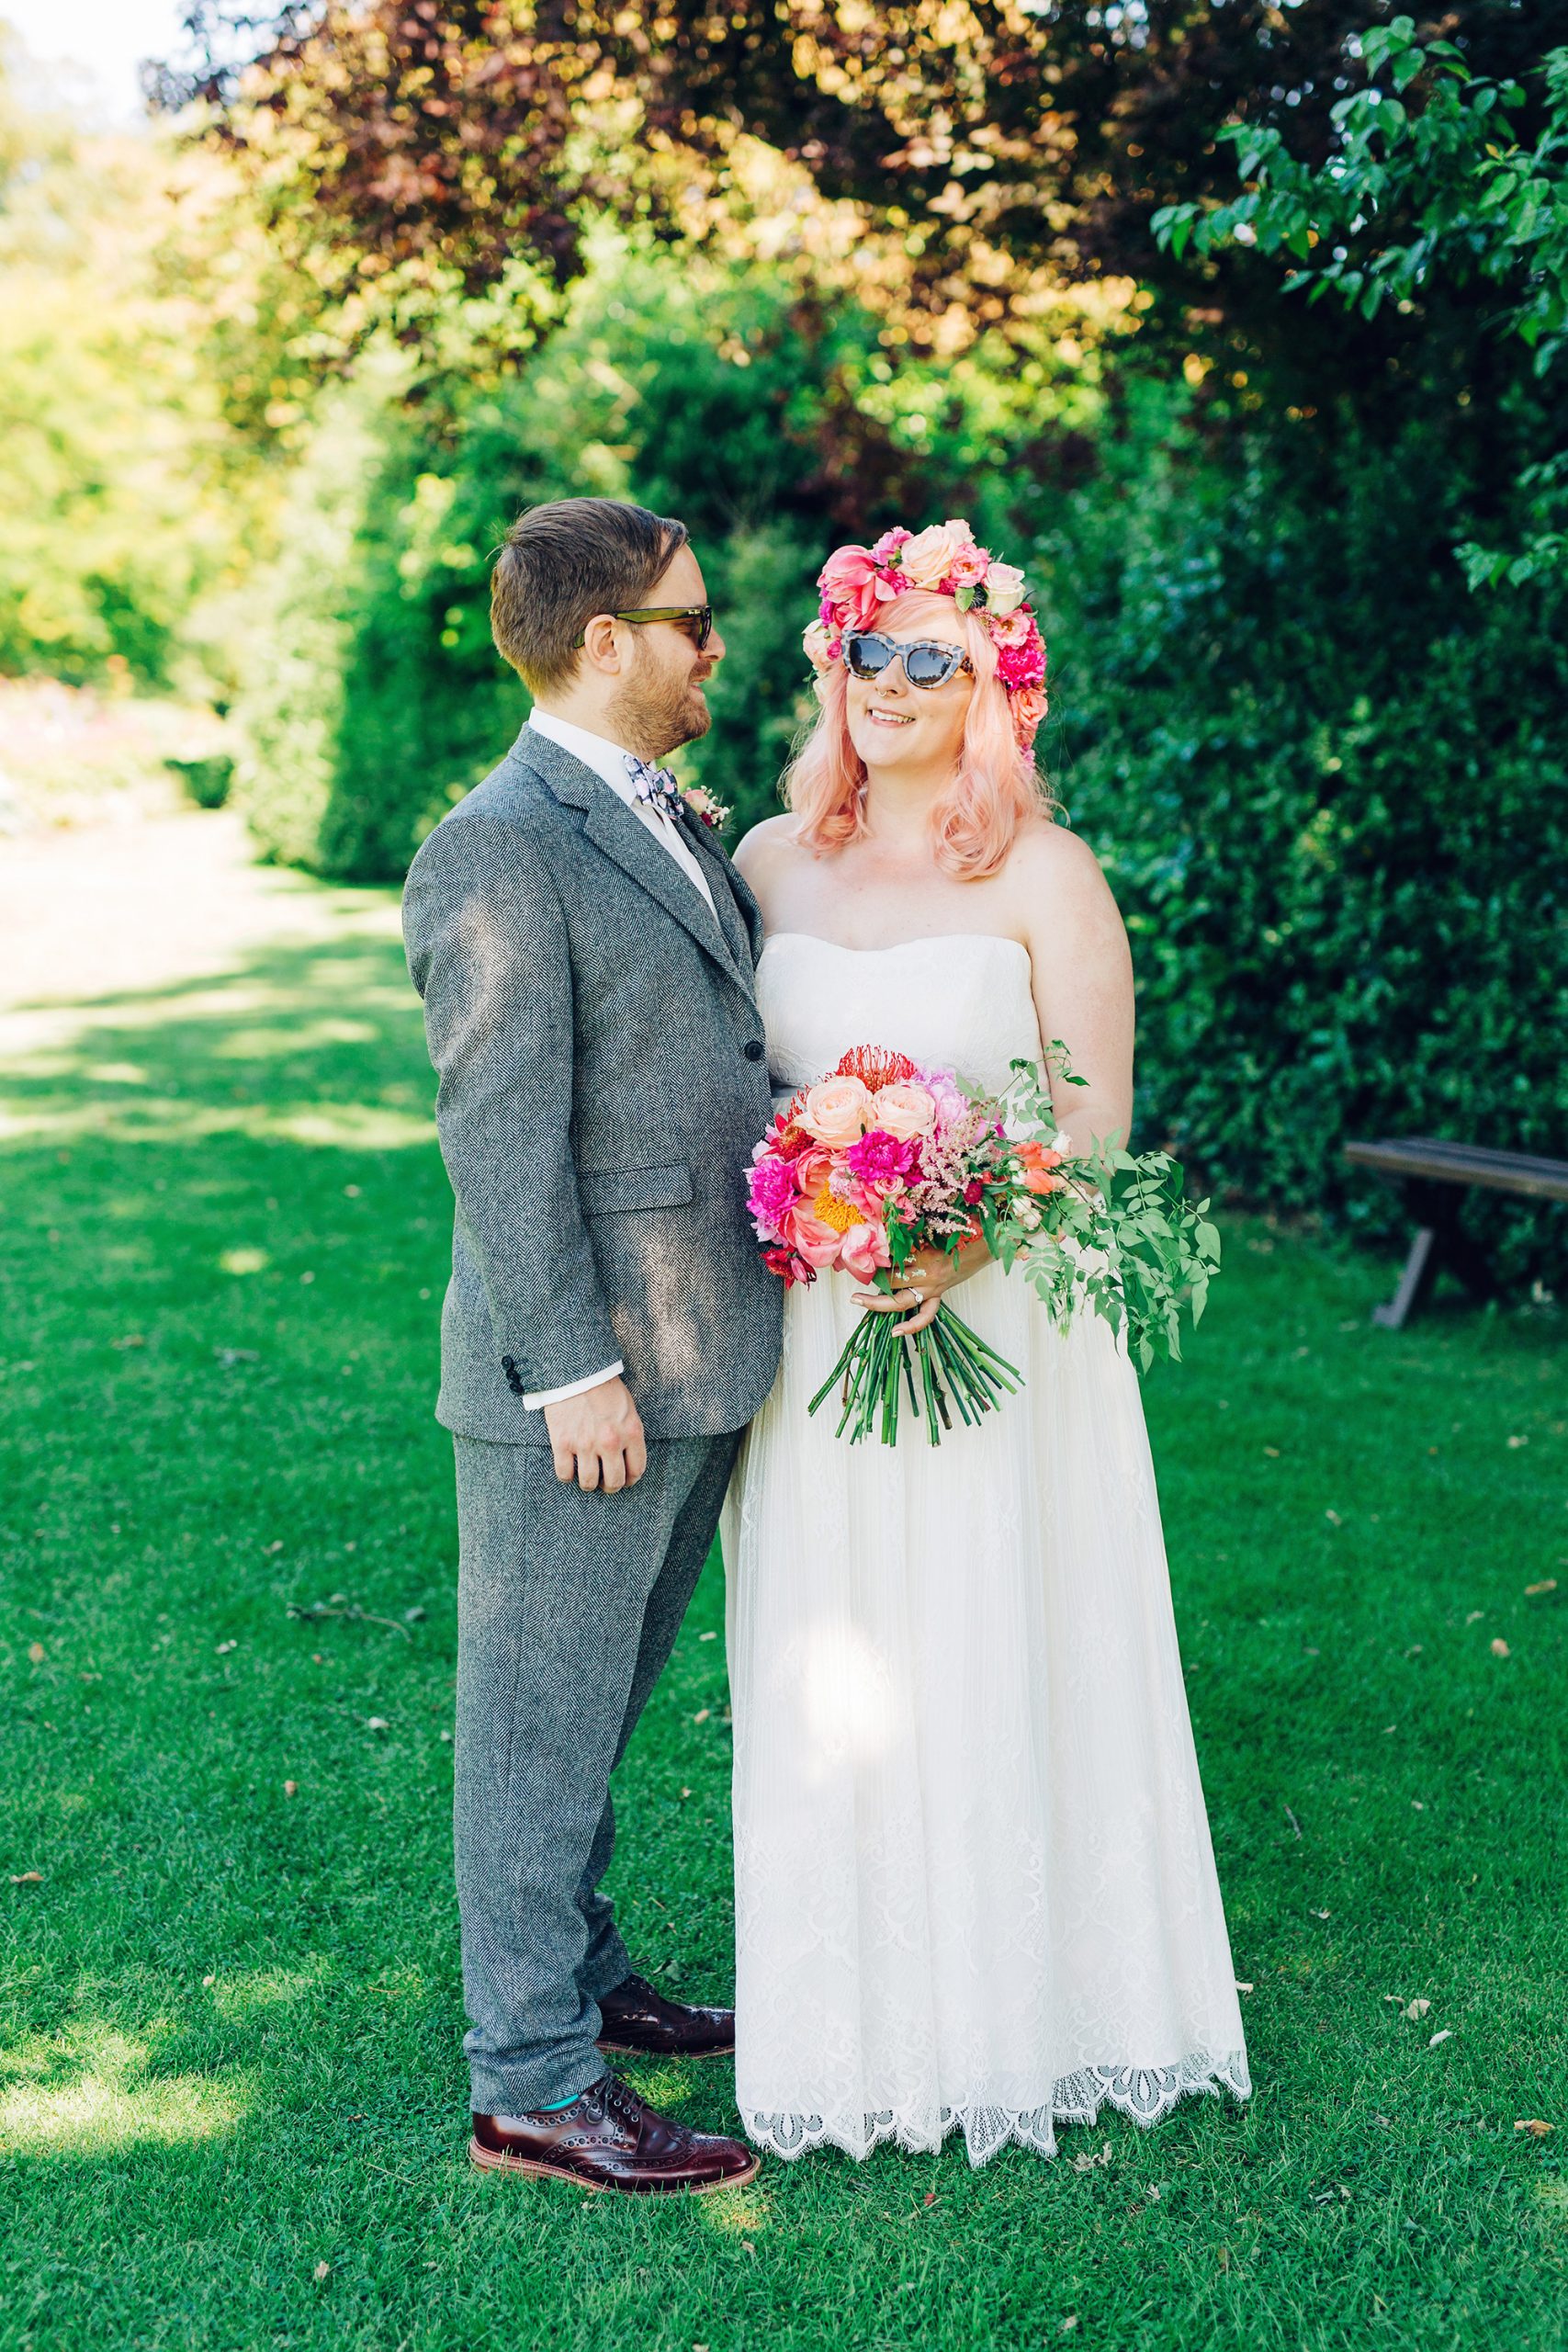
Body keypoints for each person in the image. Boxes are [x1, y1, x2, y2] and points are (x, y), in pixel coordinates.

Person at [721, 518, 1251, 2165]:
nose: (888, 682)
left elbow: (1093, 1131)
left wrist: (962, 1233)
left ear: (993, 683)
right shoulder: (764, 861)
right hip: (815, 1339)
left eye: (929, 657)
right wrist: (819, 1200)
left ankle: (1031, 2007)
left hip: (999, 1331)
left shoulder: (1045, 872)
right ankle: (848, 2022)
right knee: (827, 1662)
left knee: (997, 1637)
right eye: (866, 651)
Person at [402, 496, 782, 2193]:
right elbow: (497, 1132)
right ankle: (533, 2085)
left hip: (700, 1340)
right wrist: (570, 1371)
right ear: (603, 640)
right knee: (535, 1723)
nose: (717, 645)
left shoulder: (654, 807)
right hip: (592, 1373)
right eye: (691, 621)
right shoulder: (498, 839)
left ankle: (587, 1978)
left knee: (600, 1709)